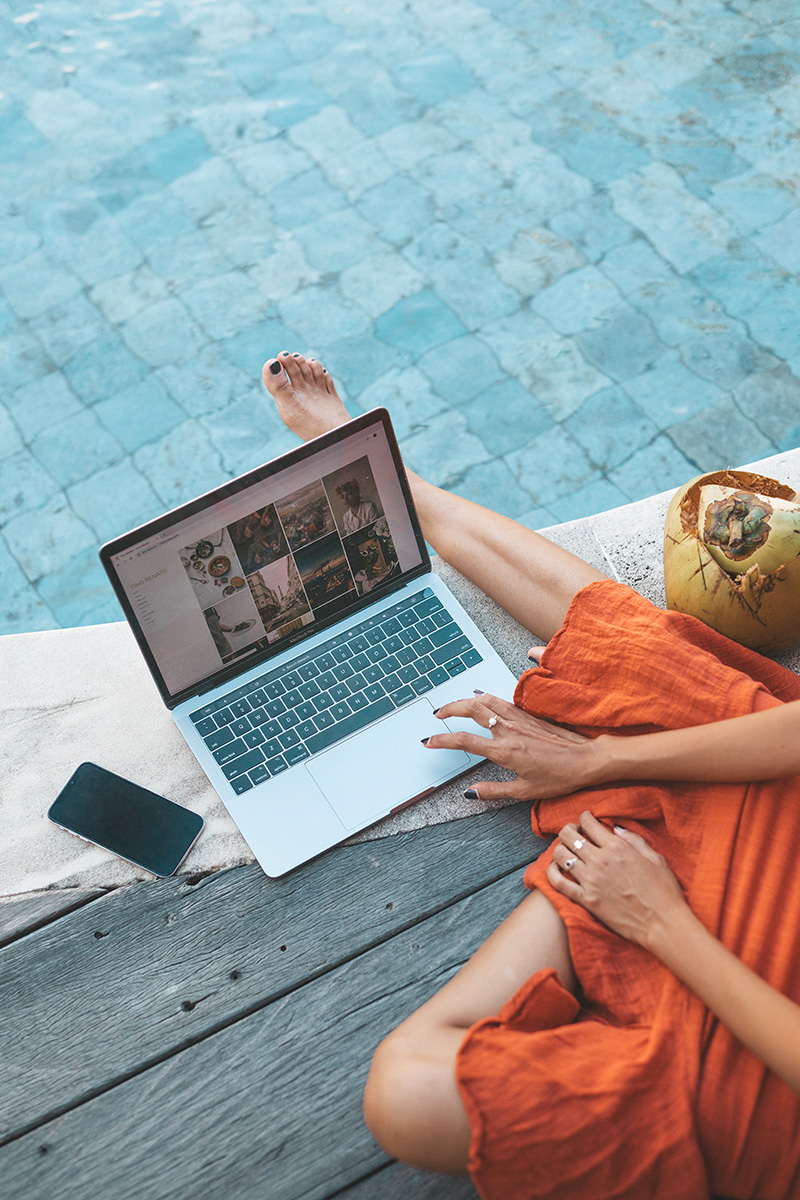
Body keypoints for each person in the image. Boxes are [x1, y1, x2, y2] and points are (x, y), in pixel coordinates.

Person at [262, 351, 800, 1200]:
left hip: (763, 1049)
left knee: (405, 1091)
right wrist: (600, 757)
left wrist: (660, 924)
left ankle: (616, 931)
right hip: (782, 823)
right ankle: (374, 466)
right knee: (648, 656)